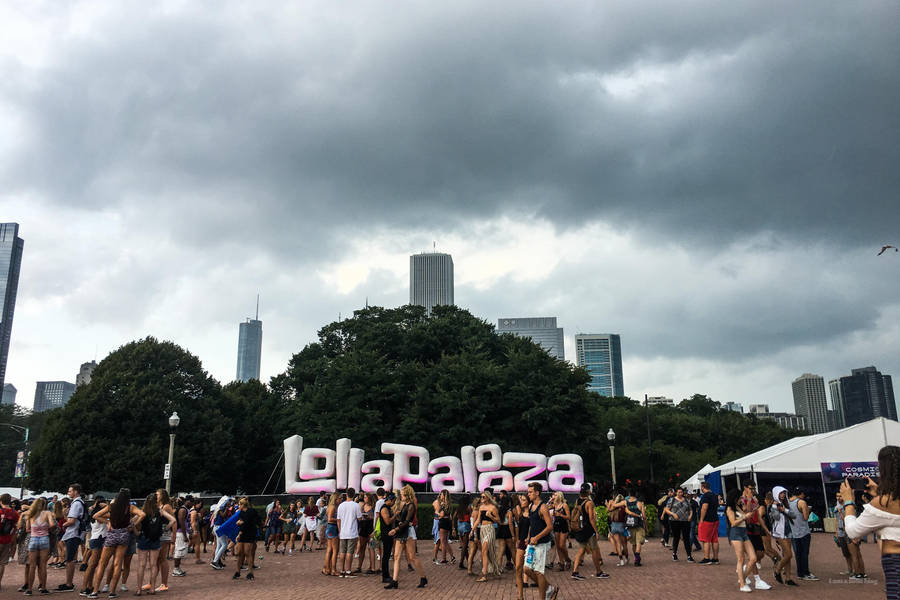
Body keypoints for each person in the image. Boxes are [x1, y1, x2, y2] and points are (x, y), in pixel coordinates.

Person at [842, 445, 900, 597]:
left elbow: (853, 531)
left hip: (895, 562)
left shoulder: (882, 503)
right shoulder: (885, 501)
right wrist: (879, 492)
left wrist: (848, 502)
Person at [89, 489, 146, 599]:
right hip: (124, 534)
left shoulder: (112, 506)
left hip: (112, 534)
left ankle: (95, 591)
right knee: (118, 563)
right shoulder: (130, 507)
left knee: (102, 563)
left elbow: (95, 515)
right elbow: (142, 514)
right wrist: (132, 524)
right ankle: (112, 591)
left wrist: (108, 521)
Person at [384, 485, 426, 589]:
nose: (400, 496)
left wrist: (395, 529)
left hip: (407, 532)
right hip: (401, 531)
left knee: (412, 557)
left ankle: (423, 577)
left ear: (407, 495)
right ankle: (395, 581)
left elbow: (407, 522)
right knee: (396, 556)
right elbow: (403, 519)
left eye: (402, 494)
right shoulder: (405, 505)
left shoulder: (411, 505)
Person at [134, 493, 176, 595]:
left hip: (144, 538)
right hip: (156, 539)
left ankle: (139, 590)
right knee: (154, 565)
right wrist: (165, 528)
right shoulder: (160, 511)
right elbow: (173, 520)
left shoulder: (142, 512)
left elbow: (132, 522)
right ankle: (152, 588)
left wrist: (136, 532)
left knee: (141, 565)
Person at [726, 495, 769, 592]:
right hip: (736, 533)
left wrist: (752, 508)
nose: (742, 499)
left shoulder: (740, 507)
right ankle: (742, 584)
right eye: (740, 497)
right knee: (741, 559)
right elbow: (733, 522)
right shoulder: (729, 508)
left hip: (744, 533)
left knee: (753, 558)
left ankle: (742, 578)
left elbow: (749, 512)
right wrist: (744, 517)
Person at [523, 482, 557, 600]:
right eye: (528, 492)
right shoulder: (531, 505)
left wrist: (537, 537)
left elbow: (549, 526)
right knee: (526, 569)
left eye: (531, 492)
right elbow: (532, 525)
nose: (529, 494)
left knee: (539, 572)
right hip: (532, 544)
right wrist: (529, 536)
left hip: (542, 543)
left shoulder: (543, 507)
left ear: (537, 493)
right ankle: (549, 588)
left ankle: (543, 597)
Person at [570, 483, 609, 579]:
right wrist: (596, 531)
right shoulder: (589, 503)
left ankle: (575, 572)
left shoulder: (577, 501)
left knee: (581, 549)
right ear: (589, 491)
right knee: (594, 550)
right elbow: (591, 518)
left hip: (580, 528)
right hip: (588, 530)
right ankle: (599, 572)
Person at [768, 485, 798, 586]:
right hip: (779, 532)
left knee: (787, 556)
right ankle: (777, 570)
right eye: (781, 493)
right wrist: (775, 507)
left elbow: (794, 515)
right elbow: (776, 517)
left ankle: (788, 578)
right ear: (776, 494)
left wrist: (784, 510)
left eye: (784, 493)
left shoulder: (785, 503)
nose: (783, 495)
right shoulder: (772, 506)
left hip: (788, 531)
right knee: (789, 554)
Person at [833, 492, 866, 578]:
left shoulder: (849, 507)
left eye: (840, 496)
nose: (838, 498)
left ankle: (858, 573)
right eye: (837, 496)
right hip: (841, 532)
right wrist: (836, 531)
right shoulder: (837, 507)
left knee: (855, 554)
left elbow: (848, 519)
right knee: (846, 554)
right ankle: (852, 570)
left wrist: (841, 512)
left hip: (850, 532)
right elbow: (837, 520)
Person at [25, 497, 54, 595]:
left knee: (32, 565)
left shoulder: (30, 514)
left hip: (33, 539)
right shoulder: (47, 513)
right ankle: (43, 587)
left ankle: (29, 589)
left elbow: (27, 529)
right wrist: (46, 529)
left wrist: (35, 530)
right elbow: (52, 524)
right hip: (44, 539)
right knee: (43, 565)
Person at [80, 497, 107, 596]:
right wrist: (108, 506)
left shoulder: (94, 514)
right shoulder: (100, 516)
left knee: (93, 565)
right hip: (98, 540)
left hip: (95, 539)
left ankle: (89, 586)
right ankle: (84, 588)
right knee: (92, 565)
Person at [473, 490, 502, 581]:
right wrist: (472, 529)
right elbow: (478, 520)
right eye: (481, 497)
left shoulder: (493, 508)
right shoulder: (481, 507)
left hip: (490, 529)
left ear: (488, 498)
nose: (482, 498)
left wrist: (491, 516)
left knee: (484, 550)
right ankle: (496, 570)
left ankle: (484, 575)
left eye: (483, 497)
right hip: (482, 529)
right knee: (489, 553)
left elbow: (499, 521)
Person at [788, 488, 817, 580]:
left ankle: (800, 573)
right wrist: (808, 510)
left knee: (798, 553)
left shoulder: (788, 502)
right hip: (803, 531)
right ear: (801, 494)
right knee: (804, 553)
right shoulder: (802, 502)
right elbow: (805, 517)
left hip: (793, 531)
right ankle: (806, 573)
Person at [335, 488, 361, 578]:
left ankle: (342, 570)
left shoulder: (341, 506)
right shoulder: (356, 505)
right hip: (352, 531)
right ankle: (348, 570)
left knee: (342, 551)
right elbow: (359, 518)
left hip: (343, 532)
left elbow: (338, 520)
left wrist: (340, 530)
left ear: (346, 494)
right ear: (353, 495)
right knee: (350, 552)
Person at [662, 488, 693, 562]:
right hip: (674, 521)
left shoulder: (686, 500)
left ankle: (689, 555)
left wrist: (690, 516)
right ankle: (674, 554)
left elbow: (690, 510)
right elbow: (666, 509)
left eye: (681, 492)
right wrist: (673, 514)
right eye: (679, 492)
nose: (680, 494)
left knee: (686, 538)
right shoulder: (671, 500)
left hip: (685, 521)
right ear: (676, 493)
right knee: (676, 537)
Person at [232, 497, 259, 581]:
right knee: (240, 553)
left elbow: (248, 522)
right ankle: (237, 571)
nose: (238, 506)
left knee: (248, 552)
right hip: (242, 533)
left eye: (239, 504)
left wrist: (241, 523)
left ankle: (250, 573)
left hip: (249, 534)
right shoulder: (240, 513)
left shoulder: (250, 511)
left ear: (243, 505)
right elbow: (242, 523)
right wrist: (240, 524)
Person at [154, 490, 175, 592]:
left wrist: (173, 535)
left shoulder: (166, 506)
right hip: (159, 534)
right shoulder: (159, 506)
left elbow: (173, 521)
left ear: (162, 496)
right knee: (157, 559)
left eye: (157, 494)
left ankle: (164, 583)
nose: (156, 496)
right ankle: (152, 582)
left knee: (162, 558)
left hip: (164, 534)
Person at [697, 481, 720, 565]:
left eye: (701, 487)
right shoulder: (714, 495)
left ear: (703, 487)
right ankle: (715, 558)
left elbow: (704, 508)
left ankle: (707, 558)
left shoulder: (705, 496)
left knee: (706, 540)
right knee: (714, 539)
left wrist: (701, 519)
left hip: (707, 520)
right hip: (715, 519)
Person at [0, 493, 20, 590]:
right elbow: (16, 527)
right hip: (7, 539)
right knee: (2, 563)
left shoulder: (0, 511)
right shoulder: (15, 513)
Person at [431, 490, 455, 565]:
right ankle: (451, 557)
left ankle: (443, 558)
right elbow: (450, 516)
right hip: (448, 522)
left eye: (441, 495)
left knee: (442, 541)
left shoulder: (442, 504)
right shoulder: (450, 504)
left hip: (442, 522)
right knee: (445, 541)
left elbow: (441, 514)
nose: (440, 496)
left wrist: (436, 513)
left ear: (444, 496)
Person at [513, 494, 530, 600]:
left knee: (528, 569)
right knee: (518, 567)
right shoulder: (522, 513)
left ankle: (544, 585)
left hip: (530, 543)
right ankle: (520, 597)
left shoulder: (533, 513)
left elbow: (533, 527)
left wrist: (529, 537)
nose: (521, 502)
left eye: (524, 500)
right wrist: (517, 539)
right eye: (521, 500)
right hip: (521, 542)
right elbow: (519, 527)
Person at [624, 490, 646, 566]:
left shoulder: (626, 503)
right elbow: (644, 516)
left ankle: (636, 558)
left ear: (629, 494)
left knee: (633, 543)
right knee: (638, 542)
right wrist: (646, 526)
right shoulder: (640, 503)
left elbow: (616, 506)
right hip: (639, 525)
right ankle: (637, 558)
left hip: (630, 525)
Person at [549, 491, 570, 572]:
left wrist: (560, 515)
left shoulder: (564, 505)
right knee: (557, 545)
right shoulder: (553, 505)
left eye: (555, 495)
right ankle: (561, 563)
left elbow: (568, 517)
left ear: (560, 496)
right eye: (553, 495)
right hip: (556, 525)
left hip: (563, 525)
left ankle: (567, 559)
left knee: (562, 545)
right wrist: (550, 501)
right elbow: (546, 507)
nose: (554, 496)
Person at [377, 493, 396, 583]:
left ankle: (386, 574)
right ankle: (385, 576)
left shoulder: (388, 508)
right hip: (386, 534)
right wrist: (395, 515)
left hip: (389, 533)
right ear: (390, 500)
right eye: (394, 501)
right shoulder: (384, 508)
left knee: (387, 555)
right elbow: (387, 521)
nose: (394, 503)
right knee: (386, 555)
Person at [606, 493, 628, 565]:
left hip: (614, 525)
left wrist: (608, 504)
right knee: (624, 544)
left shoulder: (613, 507)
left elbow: (608, 511)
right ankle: (627, 558)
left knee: (618, 544)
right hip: (622, 525)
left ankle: (621, 560)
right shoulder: (623, 506)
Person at [209, 496, 231, 570]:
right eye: (229, 501)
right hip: (219, 527)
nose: (230, 502)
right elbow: (223, 515)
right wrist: (227, 509)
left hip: (217, 527)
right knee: (224, 545)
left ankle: (216, 561)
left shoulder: (220, 507)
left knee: (219, 545)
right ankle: (215, 562)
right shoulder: (221, 507)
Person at [356, 493, 377, 573]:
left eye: (366, 497)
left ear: (369, 498)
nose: (364, 499)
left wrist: (370, 517)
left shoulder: (374, 507)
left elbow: (376, 518)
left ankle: (372, 567)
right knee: (362, 547)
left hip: (370, 528)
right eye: (364, 497)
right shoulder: (362, 507)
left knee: (371, 548)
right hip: (363, 528)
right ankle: (359, 567)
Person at [171, 498, 189, 578]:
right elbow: (181, 522)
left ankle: (177, 568)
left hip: (182, 532)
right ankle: (175, 569)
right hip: (180, 532)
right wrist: (185, 535)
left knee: (180, 551)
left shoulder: (183, 509)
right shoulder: (182, 510)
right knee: (179, 550)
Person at [454, 494, 472, 571]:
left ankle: (469, 561)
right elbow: (471, 517)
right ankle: (461, 562)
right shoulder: (468, 507)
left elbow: (453, 517)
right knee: (465, 546)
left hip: (459, 525)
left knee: (464, 545)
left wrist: (453, 528)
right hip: (466, 525)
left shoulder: (459, 508)